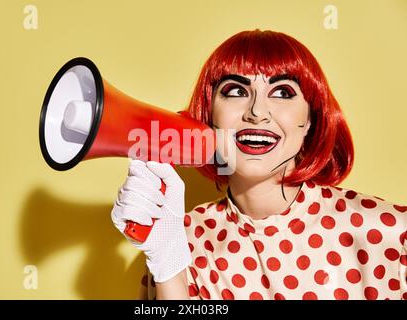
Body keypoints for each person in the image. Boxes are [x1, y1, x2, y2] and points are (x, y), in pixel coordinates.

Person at [111, 29, 407, 300]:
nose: (257, 111)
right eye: (236, 91)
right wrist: (169, 264)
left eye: (282, 92)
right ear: (209, 117)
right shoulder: (180, 240)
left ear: (310, 122)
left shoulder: (392, 232)